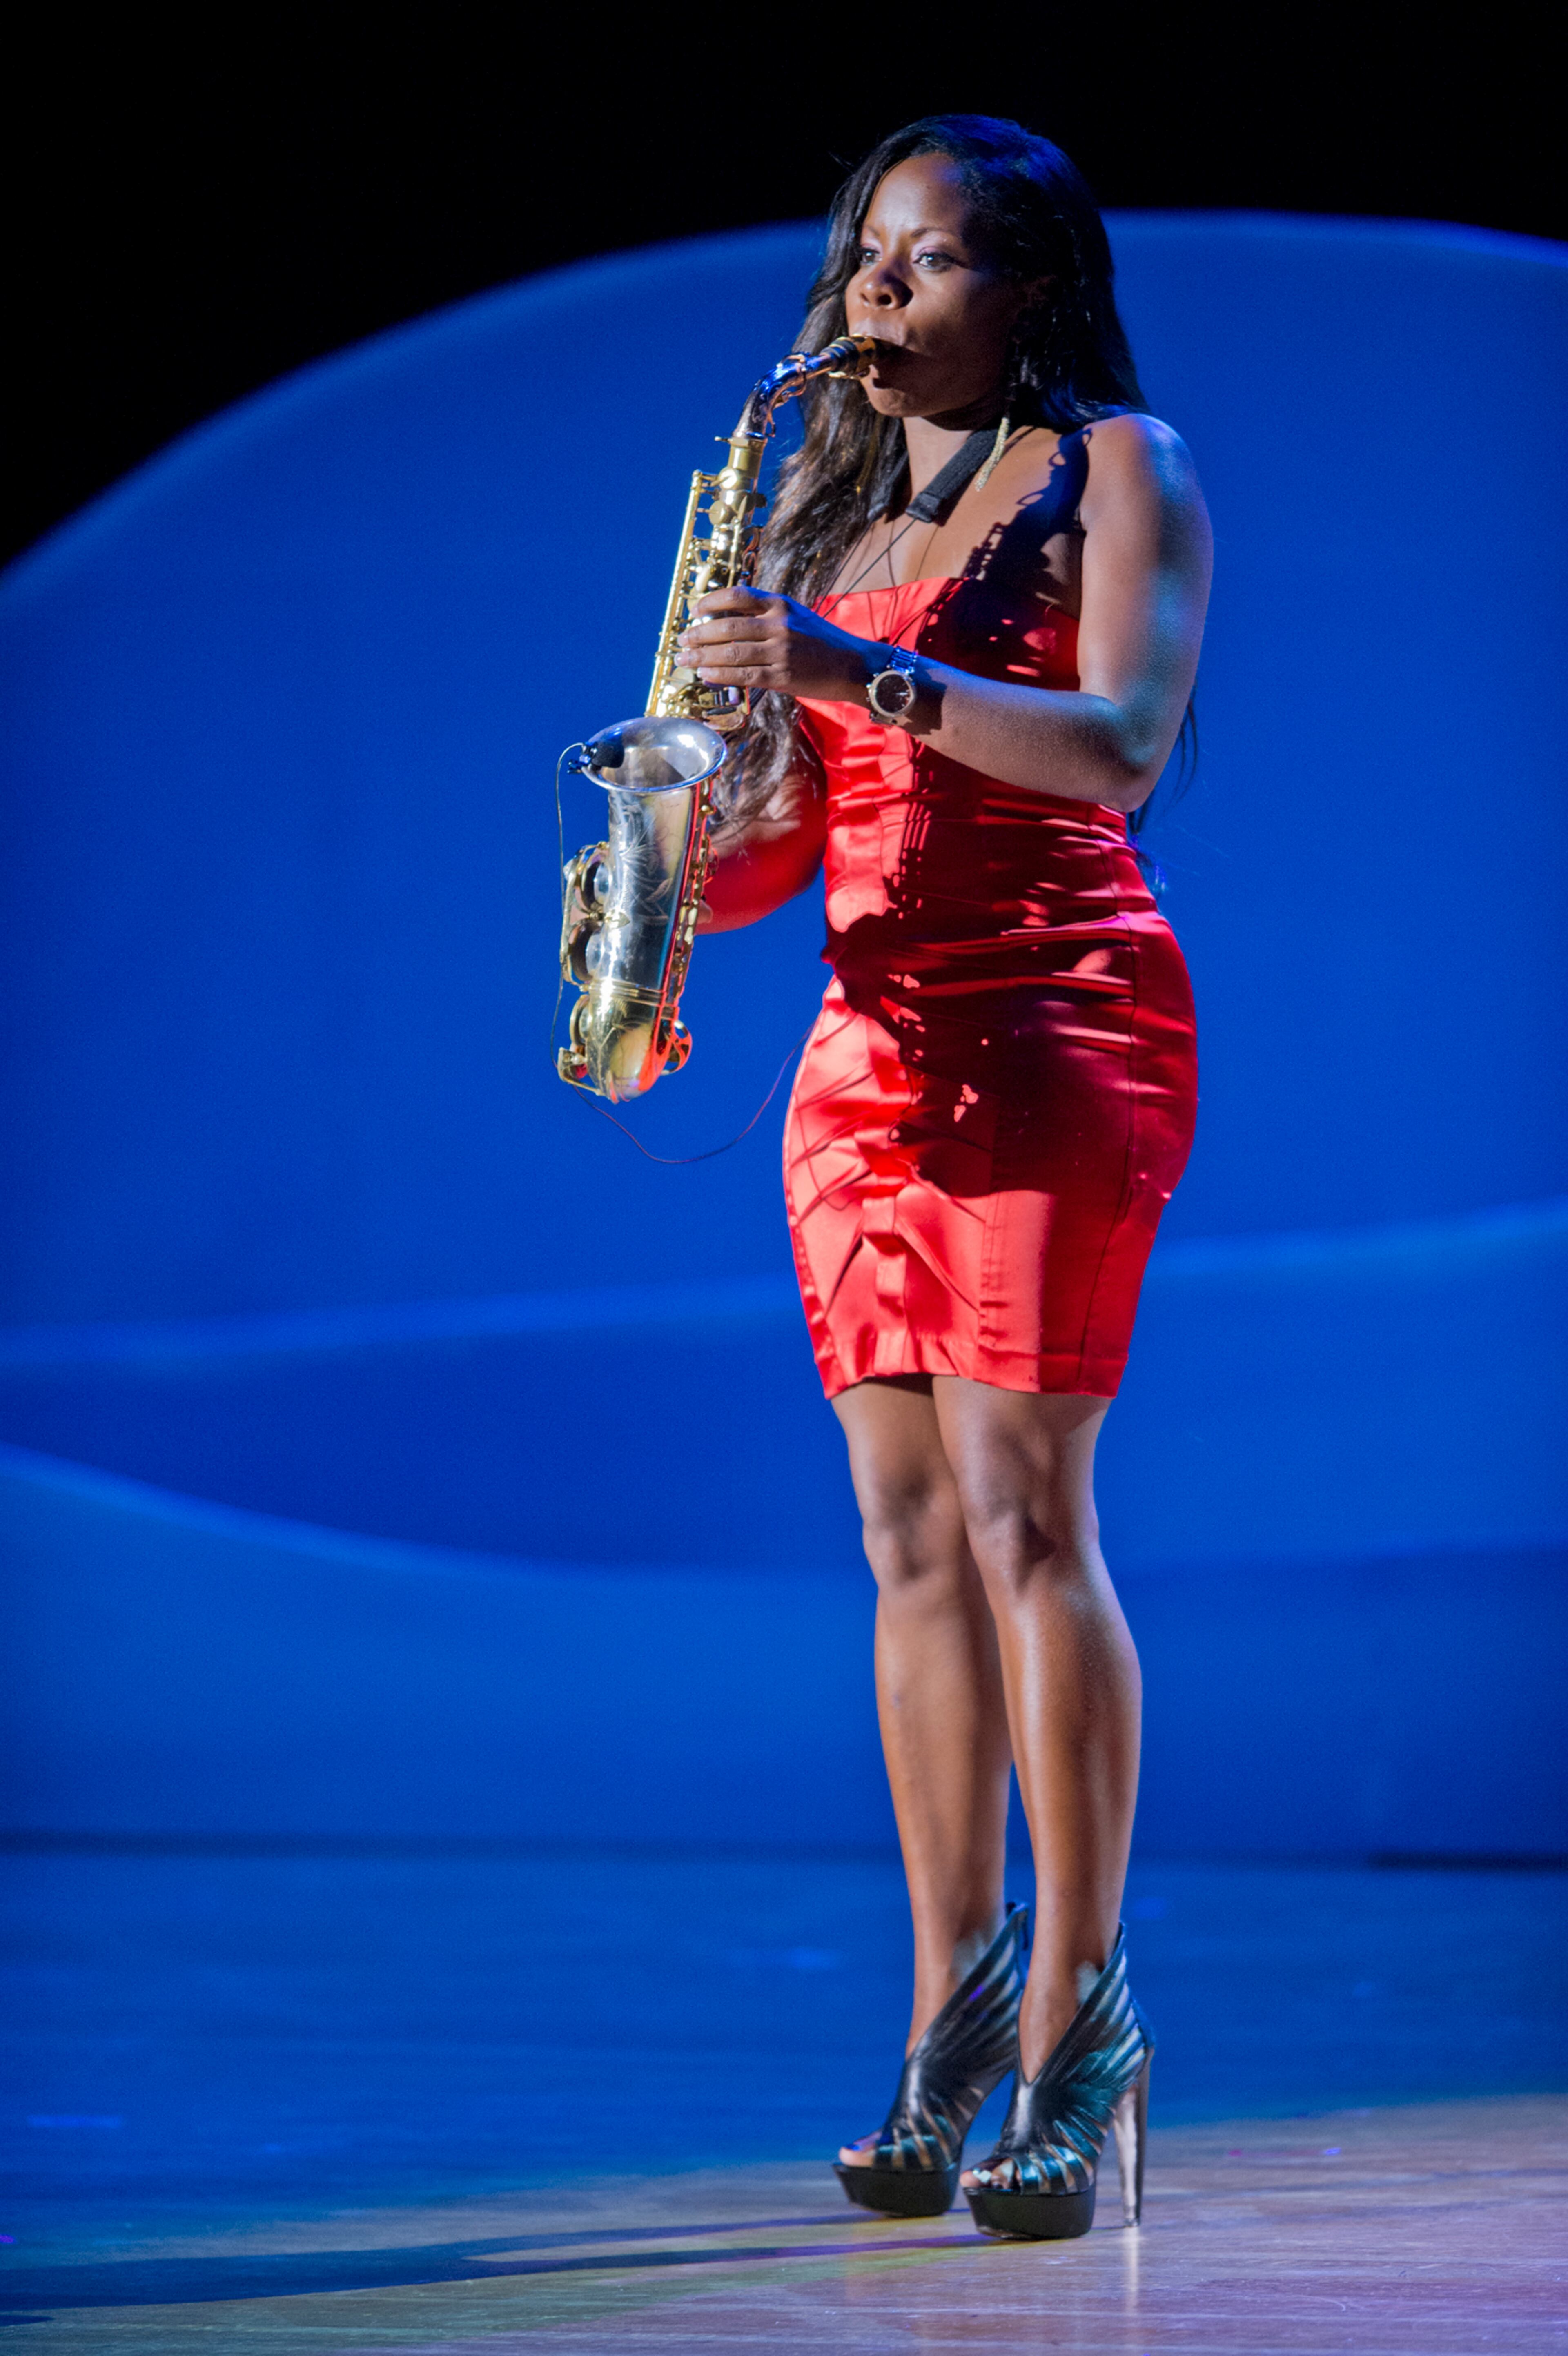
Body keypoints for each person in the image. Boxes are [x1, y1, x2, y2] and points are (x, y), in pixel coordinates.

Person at [683, 114, 1210, 2240]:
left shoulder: (1122, 466)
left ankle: (1085, 2028)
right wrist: (683, 846)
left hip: (1061, 1017)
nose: (871, 304)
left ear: (1031, 286)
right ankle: (947, 2021)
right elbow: (787, 862)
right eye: (860, 267)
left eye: (920, 267)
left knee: (1020, 1515)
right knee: (905, 1544)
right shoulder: (827, 519)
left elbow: (1118, 745)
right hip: (862, 1055)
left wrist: (847, 671)